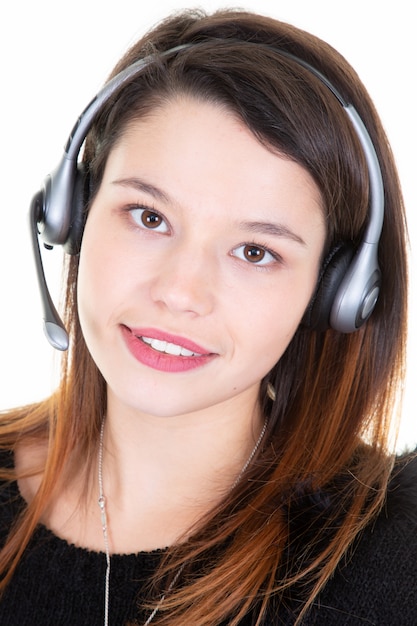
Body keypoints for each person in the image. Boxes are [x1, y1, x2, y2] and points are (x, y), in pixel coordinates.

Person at [0, 7, 415, 626]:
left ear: (338, 294)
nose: (181, 292)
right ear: (73, 216)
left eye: (256, 252)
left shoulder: (395, 550)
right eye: (149, 216)